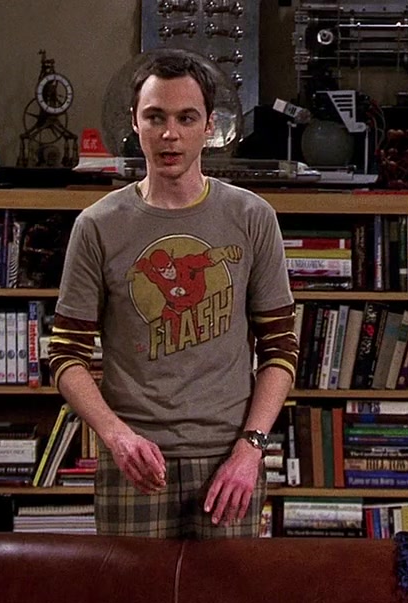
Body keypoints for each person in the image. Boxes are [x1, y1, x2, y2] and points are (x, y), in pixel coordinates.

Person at [48, 49, 298, 538]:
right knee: (132, 591)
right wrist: (116, 437)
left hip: (230, 461)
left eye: (186, 118)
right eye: (155, 117)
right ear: (134, 123)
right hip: (134, 460)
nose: (170, 134)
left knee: (226, 592)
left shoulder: (252, 217)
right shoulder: (97, 226)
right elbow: (65, 355)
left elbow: (280, 349)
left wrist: (250, 449)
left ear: (209, 126)